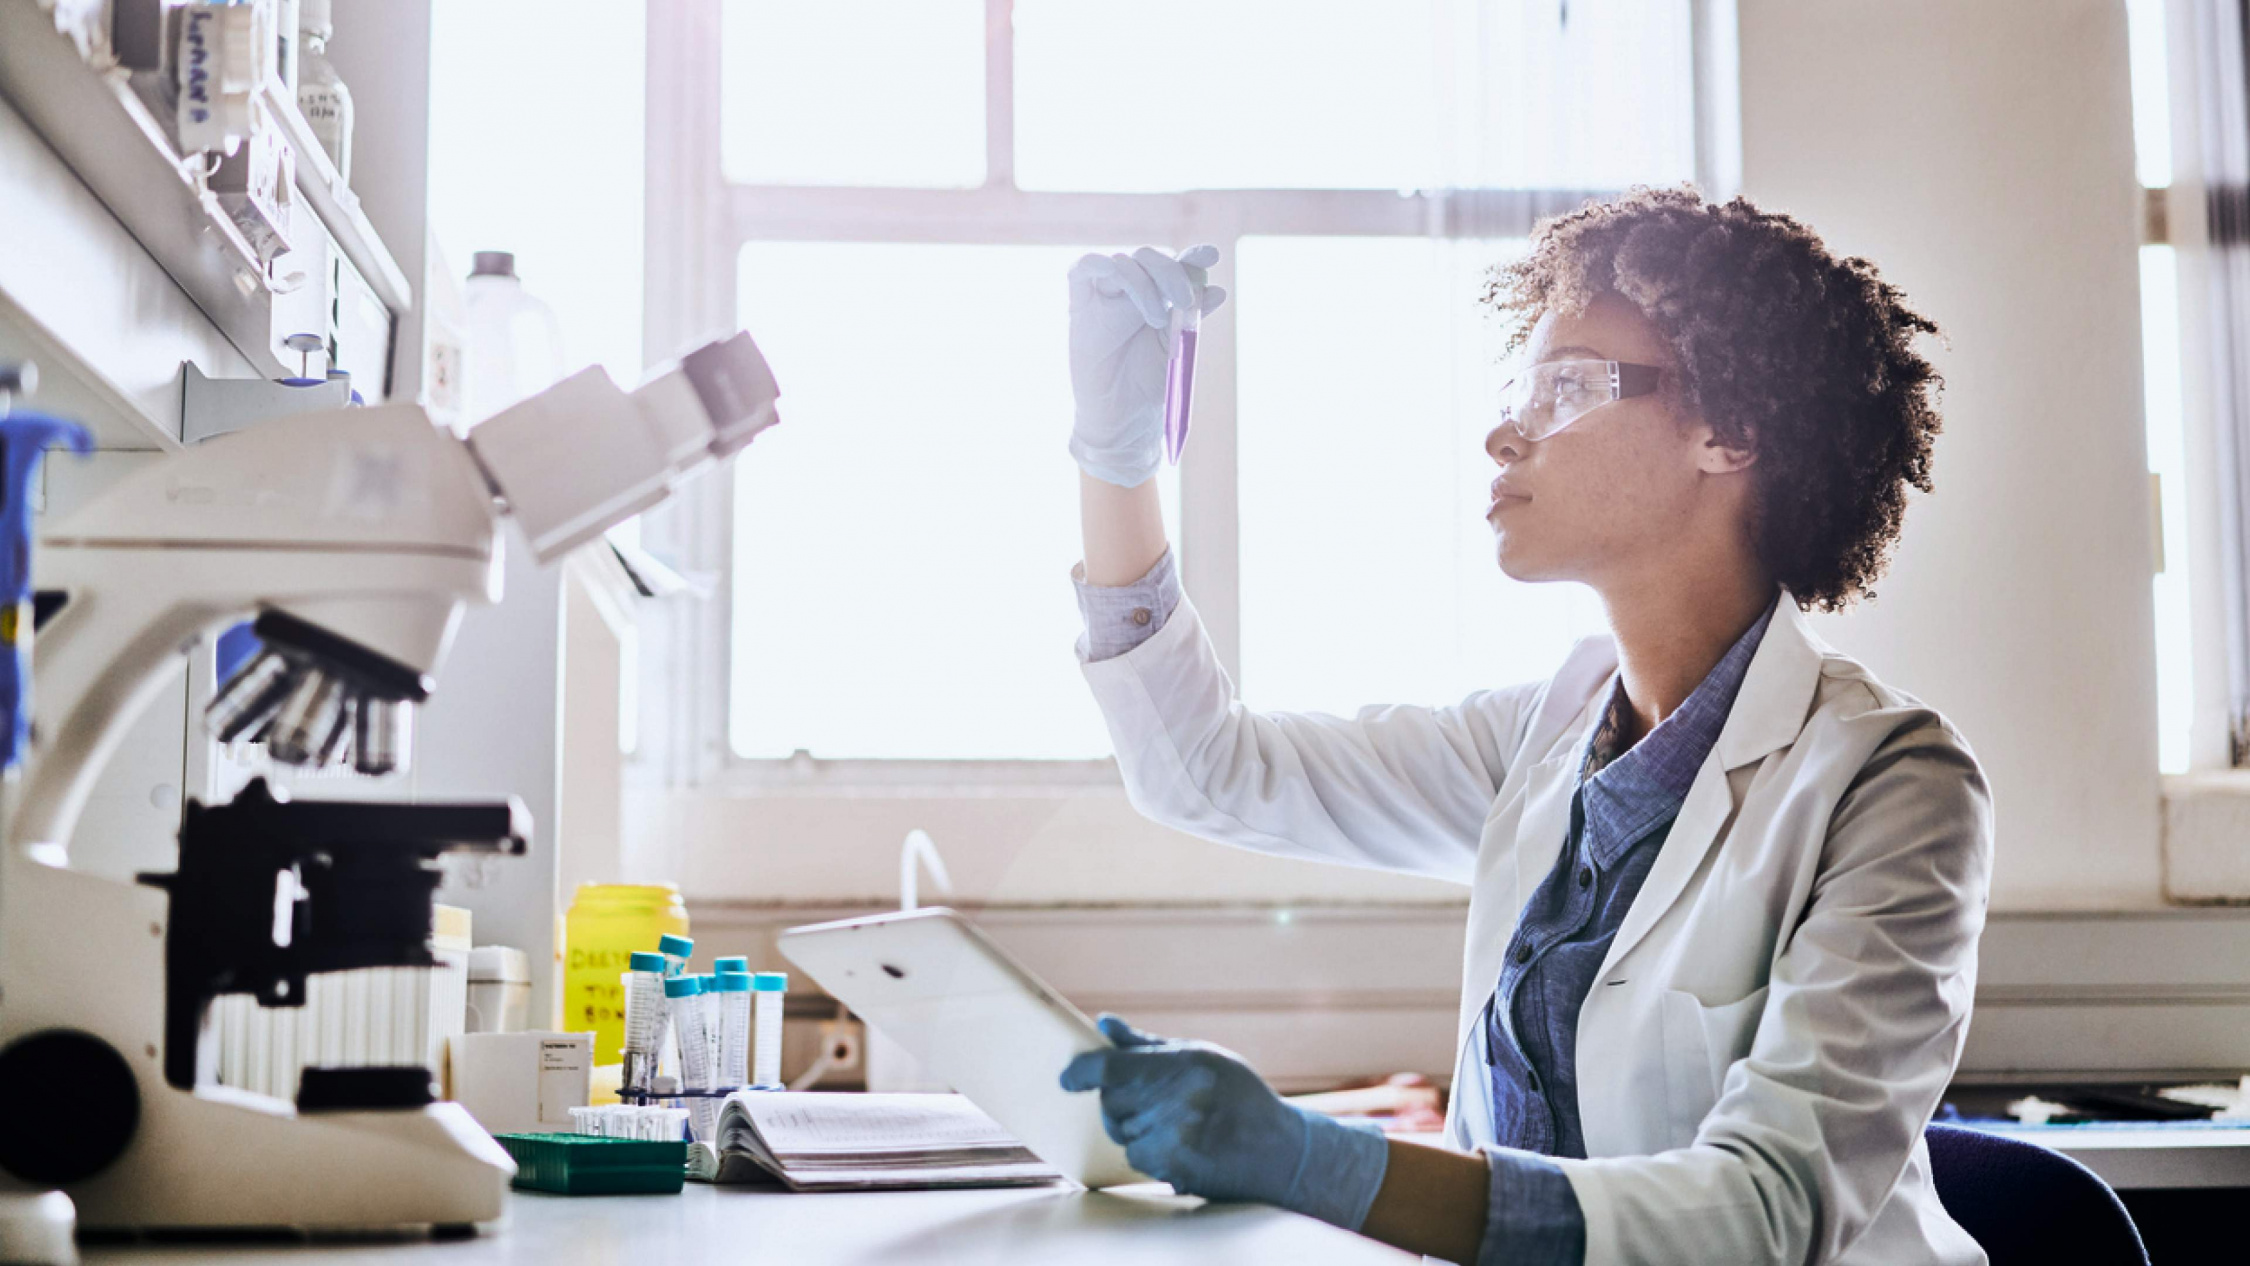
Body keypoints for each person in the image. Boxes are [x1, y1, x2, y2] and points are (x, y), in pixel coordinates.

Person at [1055, 186, 1991, 1265]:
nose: (1508, 431)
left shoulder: (1890, 784)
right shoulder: (1546, 737)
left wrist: (1321, 1162)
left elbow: (1765, 1213)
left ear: (1728, 430)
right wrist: (1113, 465)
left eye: (1567, 386)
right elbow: (1207, 771)